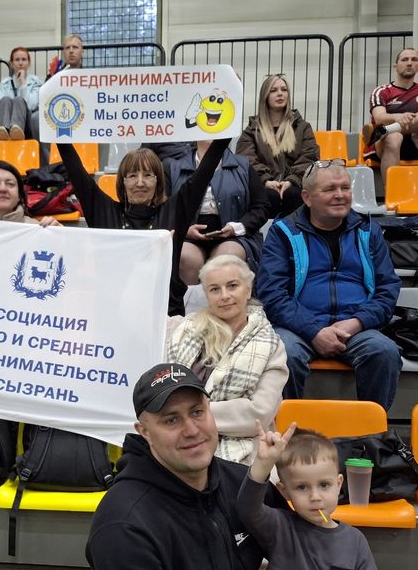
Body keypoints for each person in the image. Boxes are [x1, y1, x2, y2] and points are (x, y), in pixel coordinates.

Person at [86, 362, 286, 570]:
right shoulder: (123, 525)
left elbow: (308, 546)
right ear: (144, 432)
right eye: (171, 420)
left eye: (197, 412)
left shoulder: (242, 485)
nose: (191, 430)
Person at [257, 159, 402, 409]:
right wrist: (314, 331)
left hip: (354, 327)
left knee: (384, 351)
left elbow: (387, 289)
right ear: (307, 197)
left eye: (345, 188)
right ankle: (287, 430)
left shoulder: (368, 230)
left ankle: (373, 430)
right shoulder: (283, 232)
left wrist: (357, 322)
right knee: (284, 353)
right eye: (330, 189)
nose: (340, 195)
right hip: (298, 328)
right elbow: (272, 295)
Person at [58, 139, 229, 316]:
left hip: (164, 314)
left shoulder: (175, 211)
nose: (140, 183)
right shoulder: (104, 212)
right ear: (123, 182)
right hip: (114, 315)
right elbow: (75, 169)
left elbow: (206, 168)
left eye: (148, 175)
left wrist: (225, 129)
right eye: (132, 176)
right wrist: (57, 131)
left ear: (158, 181)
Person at [237, 422, 382, 570]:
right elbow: (247, 508)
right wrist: (262, 464)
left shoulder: (355, 541)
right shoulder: (279, 526)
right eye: (302, 487)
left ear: (338, 484)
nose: (315, 497)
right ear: (284, 491)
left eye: (324, 485)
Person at [166, 255, 287, 465]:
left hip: (243, 450)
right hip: (178, 441)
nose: (224, 296)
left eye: (232, 286)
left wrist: (188, 415)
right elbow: (163, 391)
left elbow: (258, 414)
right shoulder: (182, 331)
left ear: (248, 290)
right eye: (215, 289)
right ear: (206, 295)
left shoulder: (271, 345)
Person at [167, 140, 270, 285]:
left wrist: (237, 227)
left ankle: (227, 299)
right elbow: (163, 210)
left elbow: (262, 207)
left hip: (234, 237)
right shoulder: (173, 167)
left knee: (227, 257)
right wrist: (183, 230)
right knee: (186, 258)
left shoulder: (244, 165)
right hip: (187, 238)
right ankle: (188, 301)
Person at [236, 74, 320, 217]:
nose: (280, 93)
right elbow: (246, 159)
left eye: (284, 90)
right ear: (265, 96)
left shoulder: (303, 127)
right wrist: (266, 180)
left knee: (294, 194)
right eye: (273, 90)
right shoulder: (252, 130)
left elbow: (309, 156)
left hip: (296, 185)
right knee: (270, 196)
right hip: (264, 185)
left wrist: (291, 181)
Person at [362, 48, 418, 183]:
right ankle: (392, 192)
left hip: (415, 142)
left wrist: (402, 123)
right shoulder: (382, 91)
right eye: (404, 59)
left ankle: (387, 129)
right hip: (386, 144)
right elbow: (379, 117)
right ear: (395, 66)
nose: (409, 63)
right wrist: (398, 117)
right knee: (395, 137)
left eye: (414, 60)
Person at [0, 160, 60, 227]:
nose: (3, 189)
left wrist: (60, 235)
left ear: (19, 195)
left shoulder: (37, 228)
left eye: (10, 184)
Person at [0, 46, 43, 142]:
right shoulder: (5, 83)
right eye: (17, 60)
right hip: (6, 123)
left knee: (18, 100)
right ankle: (5, 131)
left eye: (24, 59)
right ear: (12, 63)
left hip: (28, 126)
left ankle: (16, 131)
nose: (20, 63)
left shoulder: (36, 82)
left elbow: (31, 105)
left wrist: (23, 84)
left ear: (28, 63)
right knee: (5, 100)